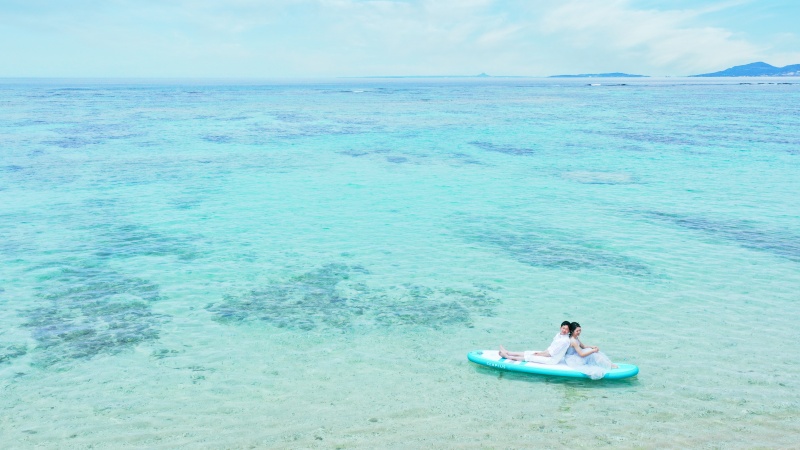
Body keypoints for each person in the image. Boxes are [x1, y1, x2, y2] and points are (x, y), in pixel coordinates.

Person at [499, 321, 571, 364]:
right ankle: (508, 352)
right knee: (529, 352)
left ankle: (507, 356)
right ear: (560, 327)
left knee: (530, 356)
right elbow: (550, 348)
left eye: (566, 329)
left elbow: (551, 353)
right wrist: (541, 353)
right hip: (548, 354)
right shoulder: (558, 335)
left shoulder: (564, 341)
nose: (564, 330)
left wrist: (540, 354)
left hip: (552, 360)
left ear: (569, 331)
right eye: (563, 328)